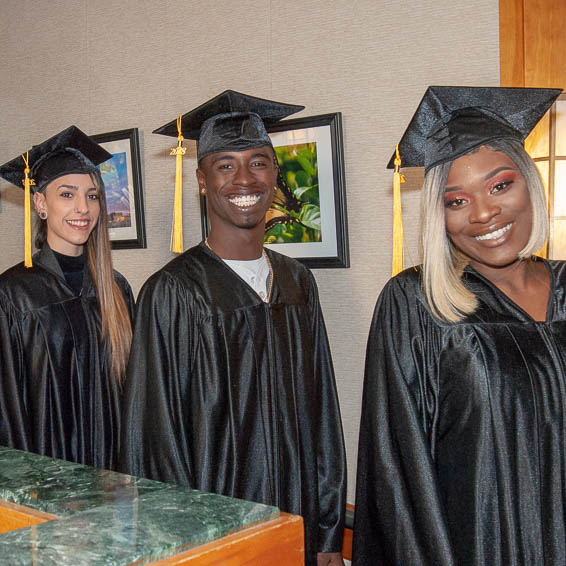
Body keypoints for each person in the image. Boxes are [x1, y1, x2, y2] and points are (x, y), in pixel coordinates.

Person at [121, 90, 346, 566]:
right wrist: (182, 546)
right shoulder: (172, 292)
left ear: (275, 175)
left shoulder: (297, 281)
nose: (245, 178)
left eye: (259, 163)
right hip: (215, 539)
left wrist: (327, 532)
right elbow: (154, 441)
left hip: (296, 524)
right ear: (202, 181)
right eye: (225, 165)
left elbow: (322, 409)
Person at [353, 86, 564, 566]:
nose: (484, 214)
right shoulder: (417, 304)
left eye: (499, 185)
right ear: (438, 215)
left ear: (530, 182)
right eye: (456, 201)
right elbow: (397, 470)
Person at [0, 126, 134, 470]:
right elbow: (7, 409)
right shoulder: (12, 295)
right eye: (67, 194)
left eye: (92, 196)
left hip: (113, 481)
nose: (82, 208)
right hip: (44, 480)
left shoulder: (116, 288)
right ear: (40, 202)